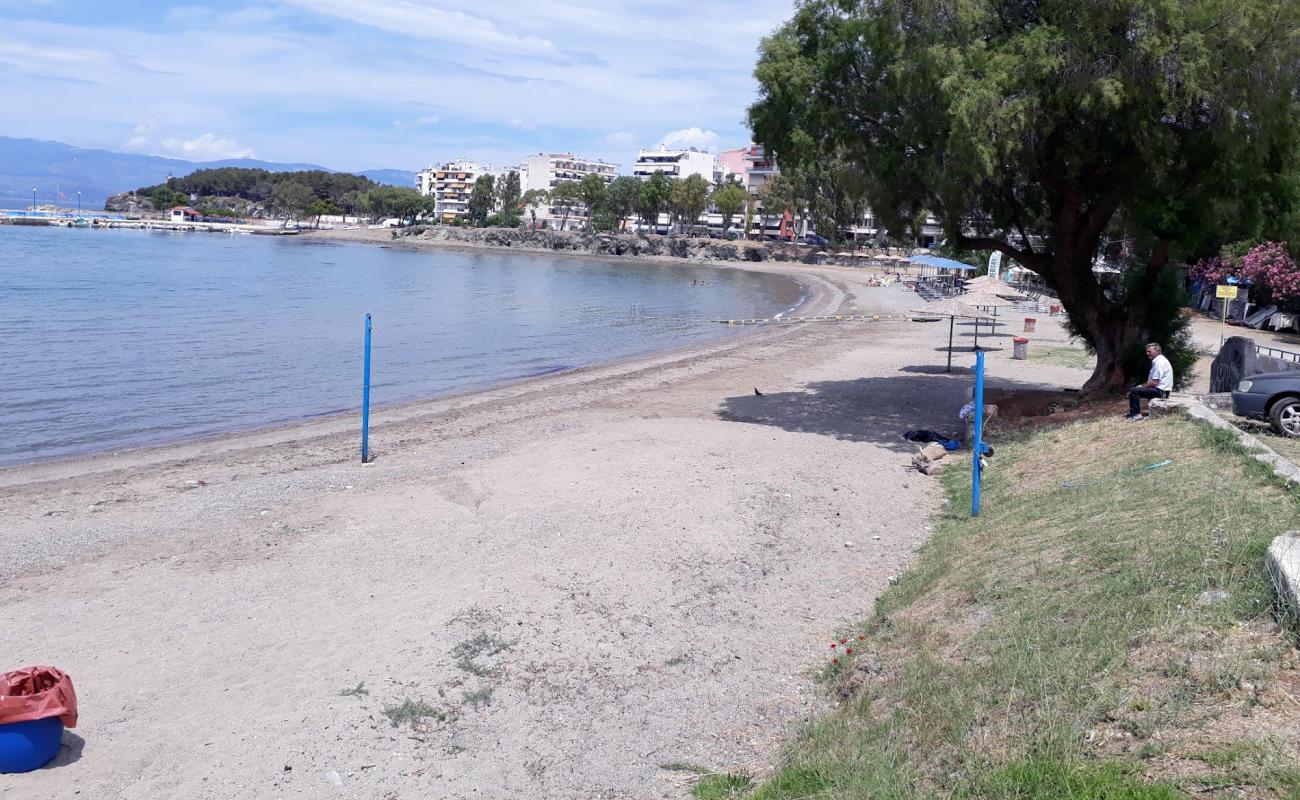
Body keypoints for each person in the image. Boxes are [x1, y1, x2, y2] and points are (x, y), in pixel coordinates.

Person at [1126, 342, 1174, 420]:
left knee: (1133, 391)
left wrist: (1140, 386)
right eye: (1147, 351)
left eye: (1149, 351)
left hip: (1161, 392)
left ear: (1157, 351)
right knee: (1135, 389)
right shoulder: (1159, 360)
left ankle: (1135, 415)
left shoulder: (1159, 362)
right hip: (1162, 391)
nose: (1147, 353)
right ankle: (1136, 413)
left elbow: (1154, 382)